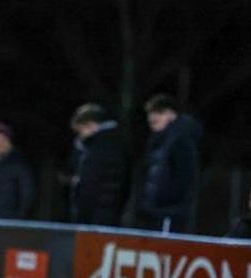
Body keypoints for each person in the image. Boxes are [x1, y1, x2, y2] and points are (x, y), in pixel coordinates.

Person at [136, 93, 202, 233]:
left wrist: (169, 205)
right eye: (151, 113)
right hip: (153, 212)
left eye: (159, 113)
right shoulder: (156, 141)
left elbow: (185, 178)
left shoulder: (181, 140)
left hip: (169, 214)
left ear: (172, 115)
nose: (153, 118)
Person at [68, 103, 128, 226]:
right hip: (104, 211)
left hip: (98, 214)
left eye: (81, 130)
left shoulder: (99, 147)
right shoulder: (106, 143)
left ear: (91, 125)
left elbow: (91, 181)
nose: (80, 135)